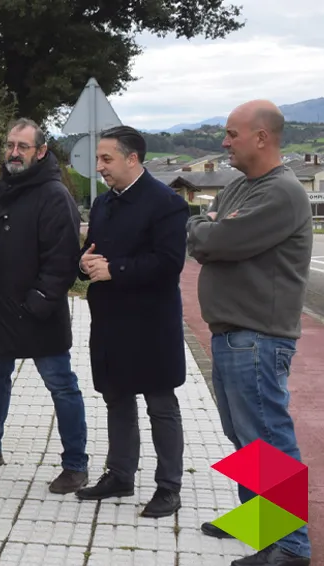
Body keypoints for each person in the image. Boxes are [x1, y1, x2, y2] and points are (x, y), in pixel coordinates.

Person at [187, 100, 312, 566]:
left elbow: (215, 240)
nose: (224, 142)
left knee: (267, 439)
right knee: (242, 434)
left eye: (232, 134)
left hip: (257, 336)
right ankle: (261, 521)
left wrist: (212, 230)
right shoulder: (240, 187)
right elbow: (205, 230)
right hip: (233, 334)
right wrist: (210, 228)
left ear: (262, 137)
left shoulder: (281, 194)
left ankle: (291, 545)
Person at [0, 118, 89, 494]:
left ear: (41, 151)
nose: (14, 153)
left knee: (61, 385)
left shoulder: (54, 195)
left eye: (23, 147)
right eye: (10, 145)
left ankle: (76, 465)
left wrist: (36, 304)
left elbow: (62, 262)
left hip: (37, 316)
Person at [73, 126, 189, 519]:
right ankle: (120, 474)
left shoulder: (167, 202)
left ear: (132, 158)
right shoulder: (104, 204)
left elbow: (169, 262)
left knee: (160, 404)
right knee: (116, 397)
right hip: (110, 320)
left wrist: (115, 269)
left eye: (106, 159)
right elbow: (95, 254)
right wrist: (86, 264)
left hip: (151, 323)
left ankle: (168, 487)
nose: (99, 167)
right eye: (99, 159)